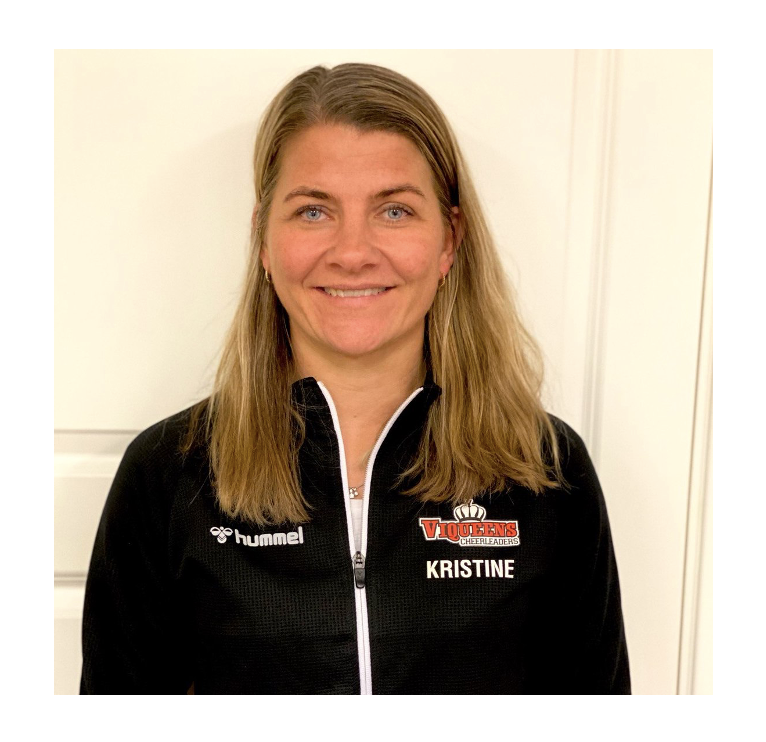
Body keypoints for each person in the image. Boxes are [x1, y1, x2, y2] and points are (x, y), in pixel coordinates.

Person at [80, 62, 630, 694]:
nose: (352, 252)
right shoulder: (168, 475)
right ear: (263, 241)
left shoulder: (546, 471)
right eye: (313, 211)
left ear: (449, 240)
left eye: (394, 211)